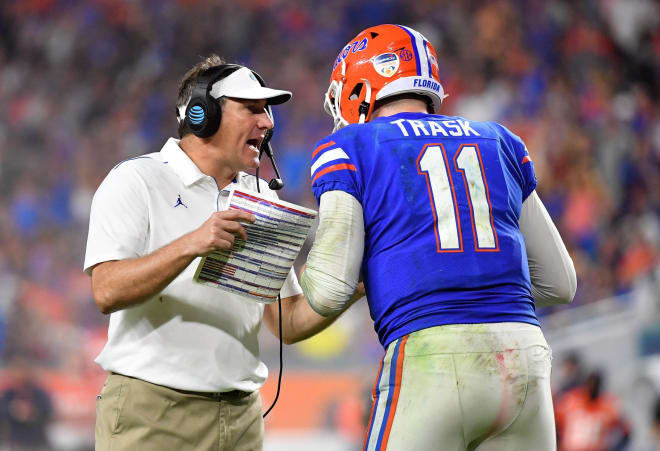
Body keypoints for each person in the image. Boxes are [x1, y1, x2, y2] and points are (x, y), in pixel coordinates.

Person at [300, 24, 577, 450]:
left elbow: (328, 290)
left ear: (358, 87)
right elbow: (561, 283)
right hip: (525, 356)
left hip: (432, 354)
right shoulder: (499, 139)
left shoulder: (351, 145)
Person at [84, 55, 348, 451]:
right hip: (154, 413)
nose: (268, 122)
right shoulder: (137, 180)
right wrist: (193, 243)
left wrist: (352, 284)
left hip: (242, 416)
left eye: (268, 111)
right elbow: (106, 291)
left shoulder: (257, 196)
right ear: (201, 115)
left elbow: (287, 323)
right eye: (252, 109)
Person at [555, 370, 631, 451]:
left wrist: (615, 448)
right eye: (590, 384)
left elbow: (626, 431)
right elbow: (553, 423)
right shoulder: (570, 401)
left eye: (595, 385)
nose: (592, 388)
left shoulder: (607, 406)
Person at [0, 359, 53, 451]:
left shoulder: (38, 393)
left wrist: (32, 413)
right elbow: (3, 412)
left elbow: (47, 411)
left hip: (37, 441)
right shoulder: (9, 394)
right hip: (16, 442)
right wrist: (13, 410)